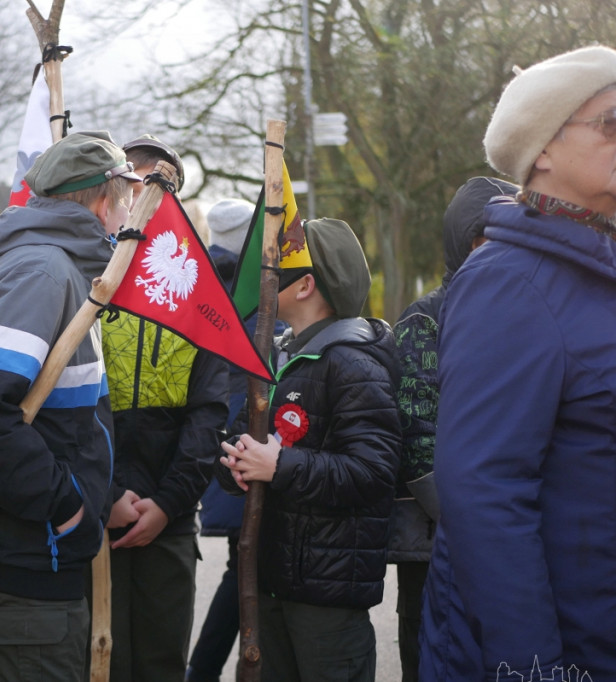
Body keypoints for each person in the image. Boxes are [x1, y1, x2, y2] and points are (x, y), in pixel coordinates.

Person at [419, 45, 616, 680]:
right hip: (560, 651)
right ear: (544, 148)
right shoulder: (509, 281)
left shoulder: (596, 269)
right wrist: (533, 669)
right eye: (612, 123)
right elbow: (483, 493)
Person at [0, 130, 141, 682]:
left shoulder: (62, 270)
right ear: (102, 201)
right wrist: (67, 509)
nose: (128, 216)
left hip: (39, 554)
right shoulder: (42, 273)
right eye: (125, 199)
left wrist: (95, 502)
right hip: (27, 560)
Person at [217, 218, 401, 682]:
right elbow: (242, 437)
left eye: (277, 269)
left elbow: (372, 472)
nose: (266, 277)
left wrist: (279, 465)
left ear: (305, 286)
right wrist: (235, 463)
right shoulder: (275, 355)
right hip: (271, 583)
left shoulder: (354, 364)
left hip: (327, 598)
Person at [99, 135, 229, 681]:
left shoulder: (200, 296)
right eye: (136, 183)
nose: (147, 199)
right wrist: (105, 496)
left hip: (168, 524)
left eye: (161, 188)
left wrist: (168, 502)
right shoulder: (86, 281)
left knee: (160, 666)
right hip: (93, 518)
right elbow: (69, 412)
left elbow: (210, 413)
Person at [388, 175, 516, 682]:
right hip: (435, 537)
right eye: (494, 238)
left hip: (507, 530)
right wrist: (473, 526)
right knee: (431, 655)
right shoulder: (426, 320)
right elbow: (416, 435)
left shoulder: (520, 310)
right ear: (469, 242)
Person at [184, 197, 255, 682]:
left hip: (218, 441)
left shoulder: (198, 285)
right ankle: (204, 670)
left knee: (243, 564)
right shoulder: (250, 291)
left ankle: (204, 670)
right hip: (244, 445)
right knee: (246, 567)